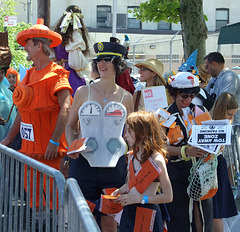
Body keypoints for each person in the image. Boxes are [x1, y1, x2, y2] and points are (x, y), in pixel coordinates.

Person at [1, 19, 72, 212]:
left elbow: (65, 108)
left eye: (28, 44)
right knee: (32, 195)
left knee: (52, 195)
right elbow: (22, 111)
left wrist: (54, 142)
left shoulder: (57, 74)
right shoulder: (28, 75)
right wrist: (9, 138)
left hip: (50, 151)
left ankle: (54, 225)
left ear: (39, 46)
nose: (25, 48)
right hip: (28, 152)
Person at [65, 39, 134, 232]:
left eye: (107, 60)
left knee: (110, 219)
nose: (101, 64)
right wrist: (72, 147)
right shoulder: (82, 92)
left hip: (114, 167)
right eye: (98, 60)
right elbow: (70, 126)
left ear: (118, 64)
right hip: (83, 164)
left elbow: (131, 132)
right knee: (82, 215)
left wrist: (133, 161)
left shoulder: (126, 97)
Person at [157, 71, 213, 232]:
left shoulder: (200, 111)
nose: (188, 99)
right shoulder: (164, 115)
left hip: (201, 173)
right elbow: (160, 148)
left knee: (202, 213)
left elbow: (212, 136)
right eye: (183, 95)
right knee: (179, 216)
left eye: (192, 95)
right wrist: (185, 151)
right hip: (176, 173)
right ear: (174, 93)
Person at [112, 111, 172, 232]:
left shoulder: (157, 160)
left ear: (143, 133)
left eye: (129, 131)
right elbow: (130, 184)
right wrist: (120, 190)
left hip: (147, 213)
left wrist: (140, 199)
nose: (126, 136)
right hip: (129, 211)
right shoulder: (131, 155)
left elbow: (168, 196)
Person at [210, 92, 238, 232]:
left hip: (219, 166)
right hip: (212, 168)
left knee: (218, 210)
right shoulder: (211, 123)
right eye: (229, 114)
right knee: (216, 211)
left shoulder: (226, 126)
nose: (231, 118)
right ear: (221, 111)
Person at [54, 5, 90, 95]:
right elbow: (76, 64)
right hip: (71, 76)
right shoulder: (75, 35)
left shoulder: (58, 35)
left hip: (56, 74)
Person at [204, 52, 240, 124]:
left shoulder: (230, 77)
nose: (207, 71)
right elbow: (204, 95)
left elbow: (224, 100)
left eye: (207, 67)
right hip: (219, 123)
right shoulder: (213, 80)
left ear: (214, 64)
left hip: (232, 124)